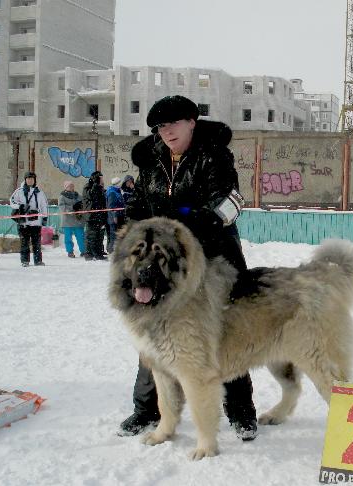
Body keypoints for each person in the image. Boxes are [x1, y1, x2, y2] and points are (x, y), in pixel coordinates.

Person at [120, 95, 257, 441]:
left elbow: (232, 202)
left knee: (227, 333)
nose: (167, 132)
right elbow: (138, 204)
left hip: (214, 260)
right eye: (160, 127)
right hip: (162, 264)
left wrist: (189, 221)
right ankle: (147, 410)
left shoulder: (214, 154)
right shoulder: (150, 160)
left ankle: (241, 412)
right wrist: (135, 227)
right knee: (152, 330)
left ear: (192, 122)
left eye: (173, 124)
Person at [10, 171, 48, 267]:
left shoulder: (39, 192)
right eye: (28, 179)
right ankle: (25, 261)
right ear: (25, 179)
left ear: (34, 180)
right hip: (24, 222)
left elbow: (44, 205)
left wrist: (45, 217)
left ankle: (38, 260)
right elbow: (12, 202)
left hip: (36, 221)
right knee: (24, 242)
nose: (30, 180)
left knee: (37, 242)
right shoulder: (19, 191)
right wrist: (20, 206)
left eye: (32, 179)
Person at [82, 171, 107, 261]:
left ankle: (98, 253)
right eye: (101, 178)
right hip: (91, 216)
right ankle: (89, 254)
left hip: (100, 216)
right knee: (91, 236)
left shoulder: (100, 188)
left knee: (99, 236)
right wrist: (96, 184)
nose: (102, 180)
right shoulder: (88, 186)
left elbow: (103, 201)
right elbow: (91, 195)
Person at [58, 180, 86, 258]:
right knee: (68, 238)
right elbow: (62, 207)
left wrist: (80, 207)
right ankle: (70, 251)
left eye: (72, 186)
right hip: (67, 221)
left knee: (81, 237)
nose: (71, 187)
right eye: (69, 186)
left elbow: (83, 204)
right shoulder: (62, 197)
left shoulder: (78, 195)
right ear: (66, 187)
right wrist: (72, 208)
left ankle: (83, 251)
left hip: (78, 220)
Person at [105, 177, 125, 253]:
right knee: (113, 236)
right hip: (114, 218)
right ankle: (111, 251)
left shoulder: (117, 191)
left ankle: (115, 250)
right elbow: (111, 206)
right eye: (120, 182)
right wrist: (115, 216)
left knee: (117, 235)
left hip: (119, 216)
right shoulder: (112, 192)